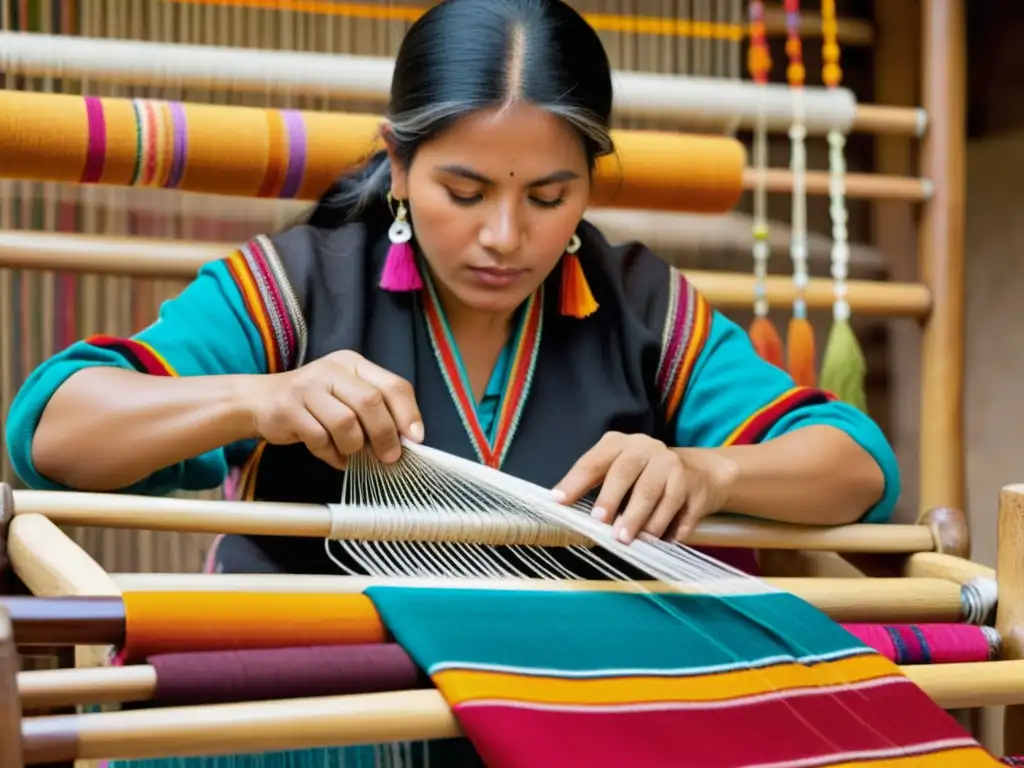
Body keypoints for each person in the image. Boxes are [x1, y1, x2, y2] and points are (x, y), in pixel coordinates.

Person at [4, 0, 899, 762]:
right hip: (315, 726)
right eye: (464, 192)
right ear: (398, 166)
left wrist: (710, 472)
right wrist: (261, 398)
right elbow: (51, 429)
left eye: (547, 197)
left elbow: (855, 466)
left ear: (590, 184)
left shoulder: (643, 310)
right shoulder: (297, 288)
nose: (505, 236)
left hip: (565, 722)